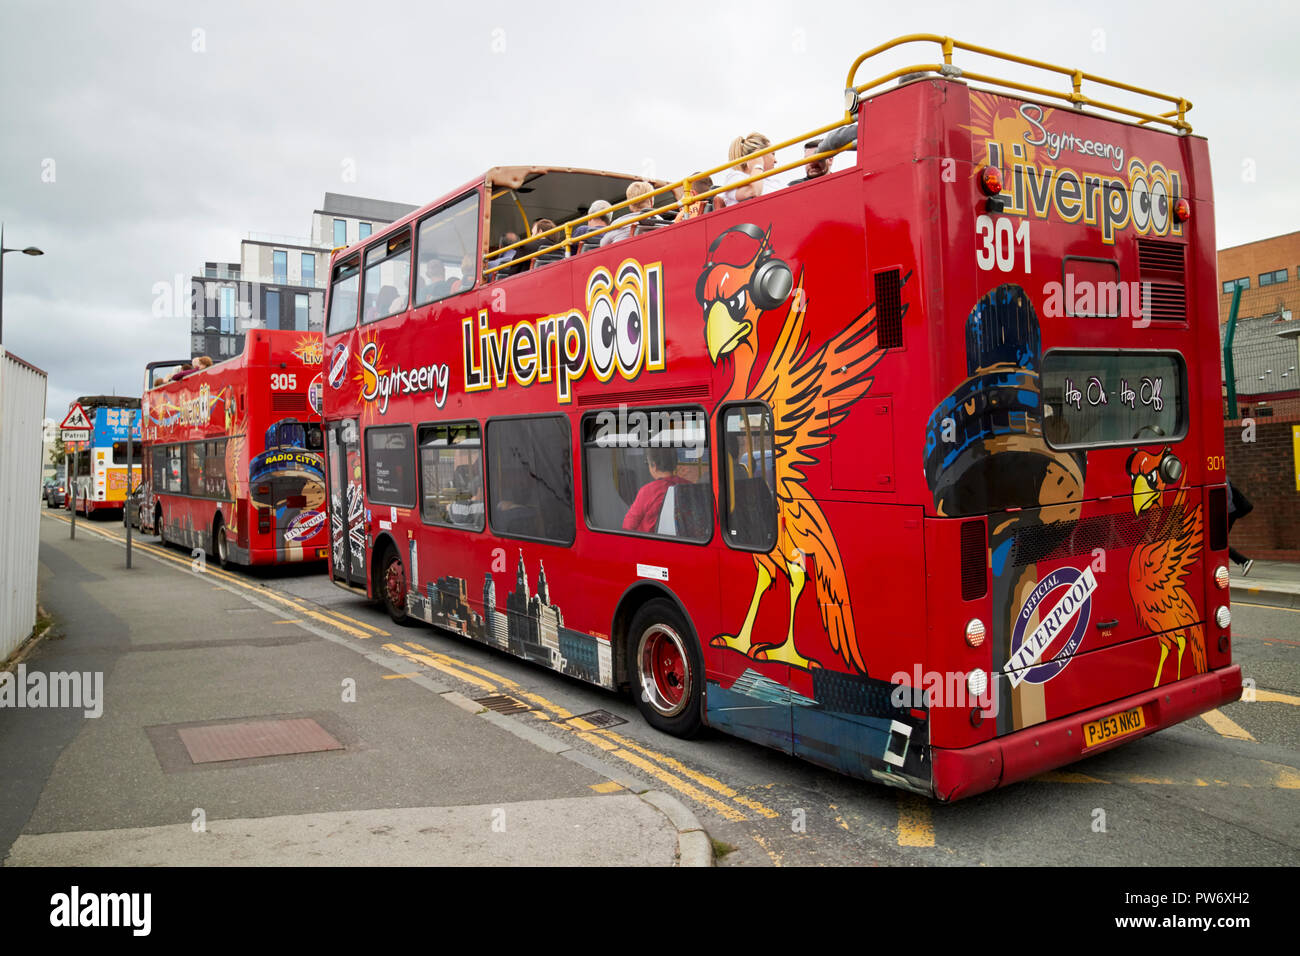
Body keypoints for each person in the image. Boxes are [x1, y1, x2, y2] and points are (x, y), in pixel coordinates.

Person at [622, 446, 688, 533]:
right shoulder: (687, 485)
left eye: (647, 463)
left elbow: (628, 526)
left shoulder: (647, 491)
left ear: (654, 466)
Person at [718, 133, 784, 207]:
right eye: (773, 154)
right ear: (759, 154)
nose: (775, 160)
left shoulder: (774, 181)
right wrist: (758, 165)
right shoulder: (735, 177)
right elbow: (754, 192)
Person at [1226, 477, 1254, 575]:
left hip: (1227, 513)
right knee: (1217, 542)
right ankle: (1243, 561)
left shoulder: (1221, 476)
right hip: (1229, 512)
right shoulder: (1223, 476)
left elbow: (1228, 499)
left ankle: (1244, 561)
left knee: (1217, 542)